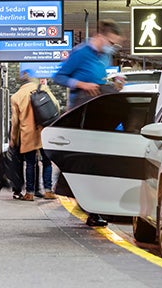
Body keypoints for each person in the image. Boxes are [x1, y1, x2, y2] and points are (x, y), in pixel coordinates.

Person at [53, 19, 124, 226]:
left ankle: (92, 206)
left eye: (115, 44)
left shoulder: (106, 55)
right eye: (110, 42)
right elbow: (59, 76)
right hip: (81, 113)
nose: (112, 47)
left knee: (96, 162)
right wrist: (81, 84)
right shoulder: (80, 53)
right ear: (100, 36)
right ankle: (87, 203)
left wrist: (114, 83)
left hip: (99, 112)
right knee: (84, 161)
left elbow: (100, 79)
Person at [10, 69, 60, 201]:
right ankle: (48, 191)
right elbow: (56, 106)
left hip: (28, 133)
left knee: (31, 163)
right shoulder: (43, 88)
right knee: (47, 162)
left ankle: (30, 193)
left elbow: (15, 122)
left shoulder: (16, 96)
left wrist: (13, 139)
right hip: (44, 130)